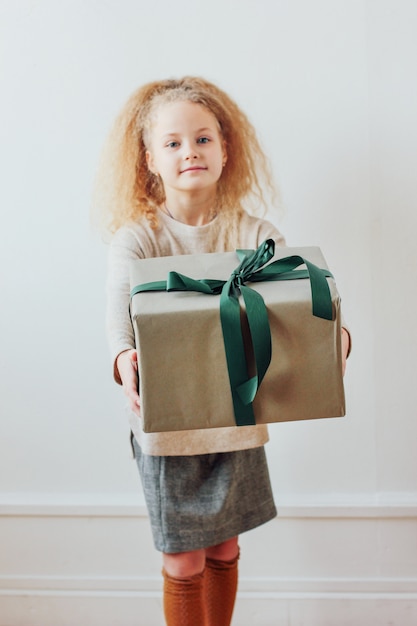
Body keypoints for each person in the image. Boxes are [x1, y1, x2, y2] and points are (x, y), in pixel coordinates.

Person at [95, 76, 351, 626]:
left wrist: (333, 336)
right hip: (167, 432)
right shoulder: (136, 238)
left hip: (237, 421)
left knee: (224, 550)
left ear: (225, 149)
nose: (190, 151)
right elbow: (119, 320)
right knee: (182, 559)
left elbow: (302, 298)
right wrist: (123, 360)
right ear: (149, 160)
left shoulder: (254, 232)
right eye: (173, 143)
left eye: (204, 138)